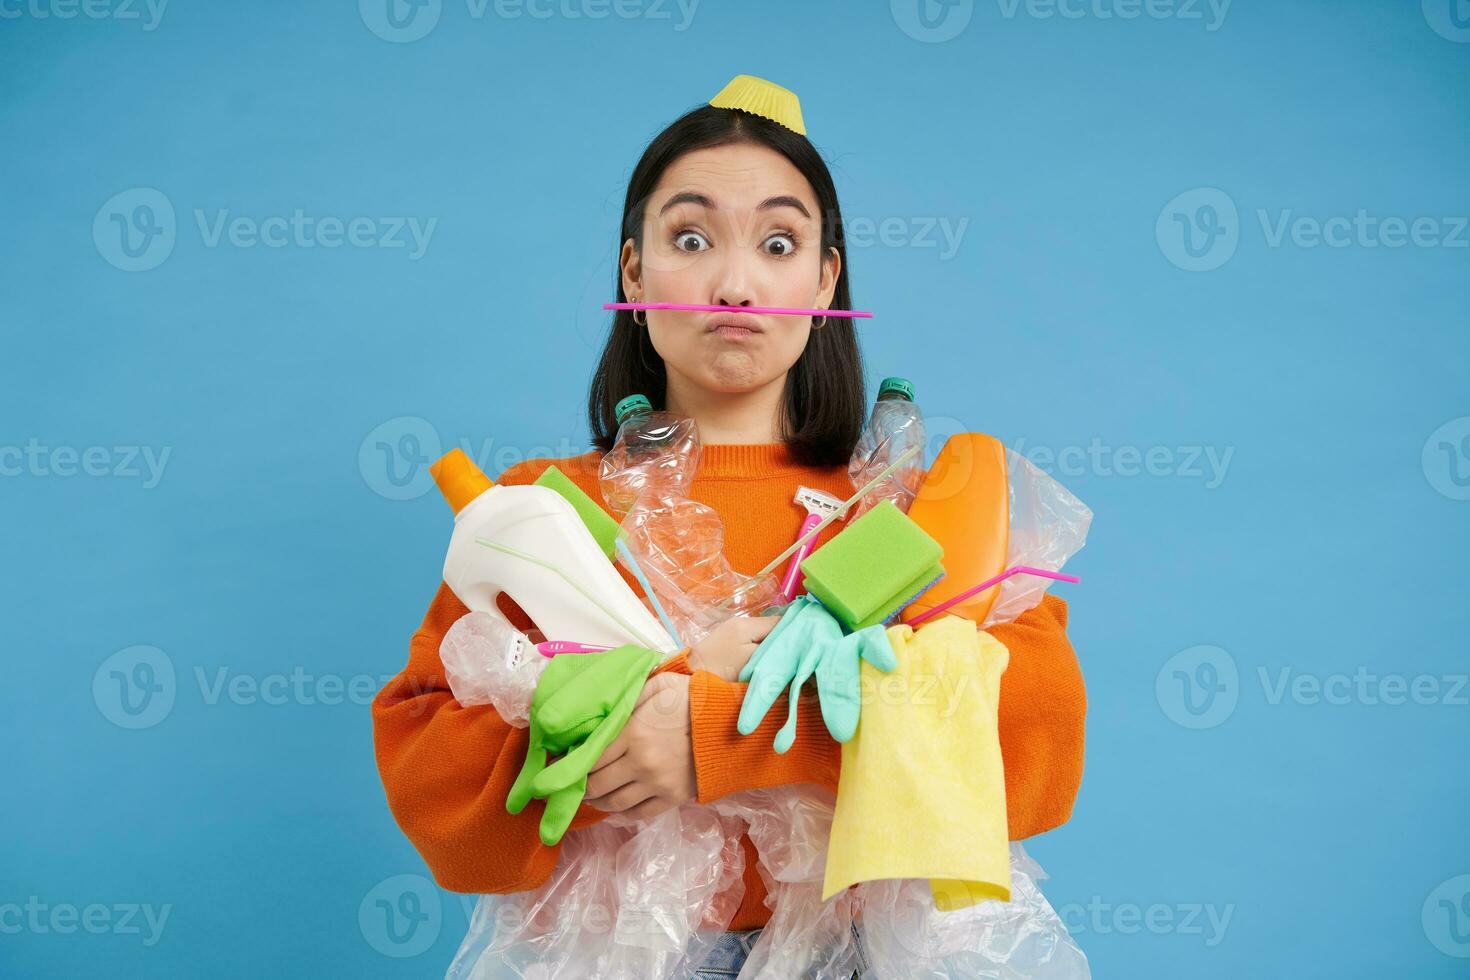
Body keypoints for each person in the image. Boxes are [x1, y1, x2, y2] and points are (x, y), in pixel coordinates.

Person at [372, 75, 1086, 979]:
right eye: (691, 238)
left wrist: (718, 735)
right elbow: (428, 774)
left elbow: (1037, 742)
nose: (735, 283)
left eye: (779, 242)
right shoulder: (546, 514)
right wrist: (617, 745)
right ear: (633, 270)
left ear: (826, 279)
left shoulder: (908, 510)